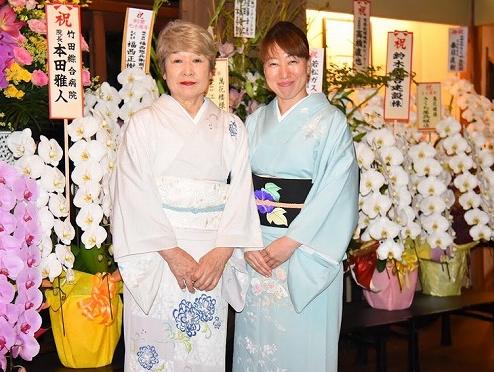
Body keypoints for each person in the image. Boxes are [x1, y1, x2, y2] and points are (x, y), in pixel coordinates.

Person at [111, 20, 263, 372]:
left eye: (197, 60)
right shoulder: (143, 123)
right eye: (177, 60)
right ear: (163, 70)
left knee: (203, 353)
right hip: (157, 256)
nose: (188, 70)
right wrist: (171, 252)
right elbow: (130, 194)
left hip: (211, 260)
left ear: (212, 70)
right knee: (157, 354)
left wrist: (223, 253)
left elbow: (241, 195)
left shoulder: (232, 127)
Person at [233, 21, 359, 372]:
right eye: (273, 63)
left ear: (308, 64)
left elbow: (337, 192)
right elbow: (239, 187)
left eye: (293, 61)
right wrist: (246, 242)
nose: (284, 73)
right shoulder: (254, 122)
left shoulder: (331, 122)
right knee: (255, 349)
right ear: (264, 70)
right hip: (257, 252)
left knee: (301, 351)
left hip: (305, 250)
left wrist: (289, 243)